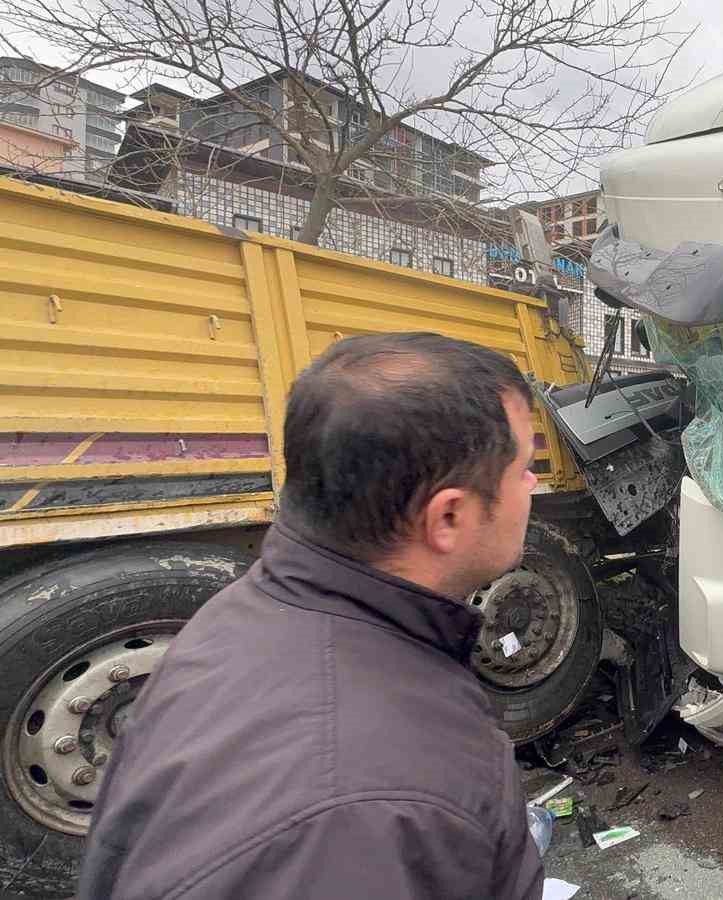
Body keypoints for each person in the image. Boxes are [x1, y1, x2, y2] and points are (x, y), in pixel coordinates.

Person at [78, 333, 546, 900]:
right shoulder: (364, 812)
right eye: (524, 466)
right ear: (447, 516)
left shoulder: (255, 614)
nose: (534, 484)